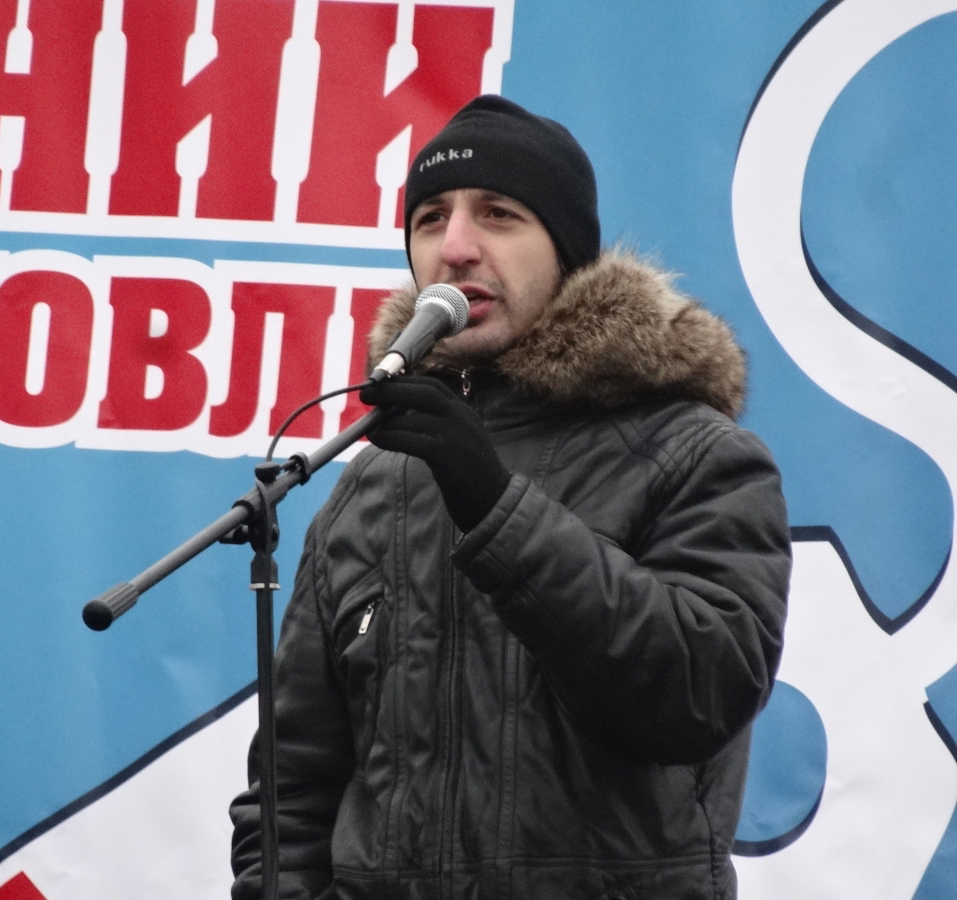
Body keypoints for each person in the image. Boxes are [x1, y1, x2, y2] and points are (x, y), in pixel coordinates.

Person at [229, 94, 791, 899]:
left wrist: (495, 509)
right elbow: (290, 795)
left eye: (497, 214)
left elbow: (700, 693)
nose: (456, 247)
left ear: (568, 252)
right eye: (430, 220)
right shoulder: (364, 489)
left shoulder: (696, 455)